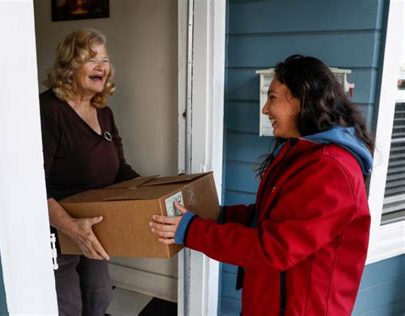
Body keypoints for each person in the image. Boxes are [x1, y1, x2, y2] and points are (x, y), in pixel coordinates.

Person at [150, 55, 374, 315]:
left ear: (303, 100)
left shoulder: (330, 169)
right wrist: (218, 214)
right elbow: (269, 216)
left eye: (273, 98)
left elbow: (274, 249)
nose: (265, 109)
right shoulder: (303, 152)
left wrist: (192, 230)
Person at [40, 29, 139, 316]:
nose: (102, 67)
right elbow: (32, 185)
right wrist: (71, 227)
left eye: (105, 60)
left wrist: (152, 191)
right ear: (70, 65)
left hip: (95, 224)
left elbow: (120, 168)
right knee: (67, 307)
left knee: (98, 299)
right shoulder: (49, 110)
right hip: (58, 228)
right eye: (91, 59)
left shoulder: (103, 111)